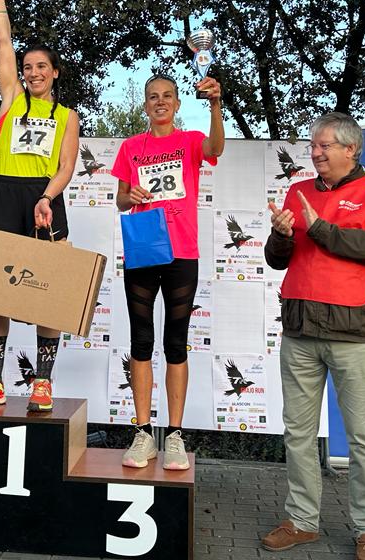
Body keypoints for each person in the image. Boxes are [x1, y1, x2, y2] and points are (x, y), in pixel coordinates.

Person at [261, 112, 365, 560]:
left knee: (363, 437)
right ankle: (302, 521)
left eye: (325, 146)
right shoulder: (298, 191)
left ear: (351, 150)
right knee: (298, 433)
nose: (316, 152)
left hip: (354, 334)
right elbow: (277, 259)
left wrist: (320, 228)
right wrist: (281, 235)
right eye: (313, 145)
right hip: (300, 329)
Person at [0, 0, 79, 413]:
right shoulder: (11, 98)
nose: (32, 72)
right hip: (4, 192)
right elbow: (3, 37)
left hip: (44, 199)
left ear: (55, 73)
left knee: (47, 291)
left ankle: (43, 383)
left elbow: (67, 166)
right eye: (28, 66)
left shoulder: (67, 116)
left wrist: (48, 197)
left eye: (41, 67)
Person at [112, 71, 224, 470]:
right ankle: (143, 433)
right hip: (144, 250)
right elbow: (122, 200)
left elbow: (217, 146)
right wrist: (132, 193)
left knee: (176, 343)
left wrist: (215, 104)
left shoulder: (190, 141)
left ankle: (174, 435)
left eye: (167, 96)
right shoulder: (131, 147)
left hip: (182, 253)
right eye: (153, 96)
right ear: (145, 105)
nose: (160, 102)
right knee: (141, 342)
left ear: (177, 104)